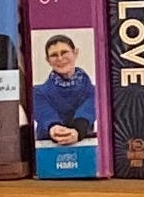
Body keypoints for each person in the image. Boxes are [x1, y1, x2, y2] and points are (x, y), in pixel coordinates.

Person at [31, 32, 98, 167]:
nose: (60, 58)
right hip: (48, 154)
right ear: (47, 60)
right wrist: (55, 128)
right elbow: (45, 115)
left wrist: (78, 130)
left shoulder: (95, 91)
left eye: (64, 52)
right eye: (54, 55)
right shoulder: (37, 92)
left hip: (86, 153)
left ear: (75, 53)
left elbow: (89, 110)